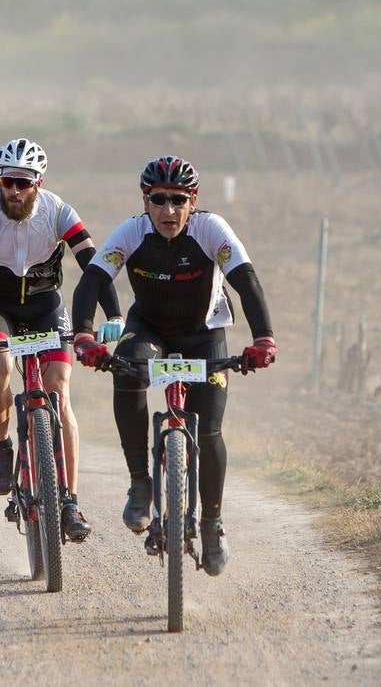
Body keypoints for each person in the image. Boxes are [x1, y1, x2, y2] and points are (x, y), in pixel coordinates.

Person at [70, 155, 277, 576]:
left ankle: (213, 524)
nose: (168, 211)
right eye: (158, 200)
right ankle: (140, 484)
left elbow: (246, 281)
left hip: (204, 333)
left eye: (178, 200)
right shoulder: (130, 232)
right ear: (145, 201)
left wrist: (263, 339)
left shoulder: (211, 231)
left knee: (212, 426)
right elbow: (91, 280)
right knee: (128, 372)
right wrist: (84, 335)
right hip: (149, 329)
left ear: (192, 201)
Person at [0, 138, 123, 541]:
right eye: (7, 183)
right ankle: (2, 446)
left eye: (23, 183)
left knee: (59, 388)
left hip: (44, 305)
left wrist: (115, 316)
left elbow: (94, 267)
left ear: (39, 182)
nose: (14, 192)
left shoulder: (58, 212)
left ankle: (69, 500)